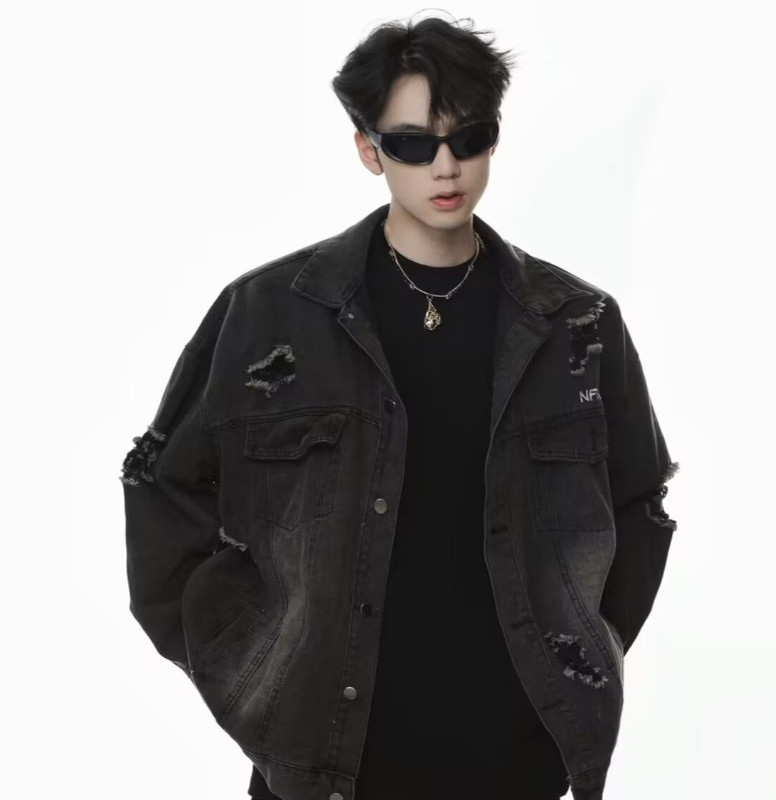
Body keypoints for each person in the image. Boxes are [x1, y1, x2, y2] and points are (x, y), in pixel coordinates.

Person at [120, 12, 679, 800]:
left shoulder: (576, 325)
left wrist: (582, 653)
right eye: (414, 144)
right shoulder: (268, 315)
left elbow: (639, 504)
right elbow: (162, 492)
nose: (445, 167)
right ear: (368, 149)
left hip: (517, 761)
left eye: (469, 138)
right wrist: (255, 665)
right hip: (326, 768)